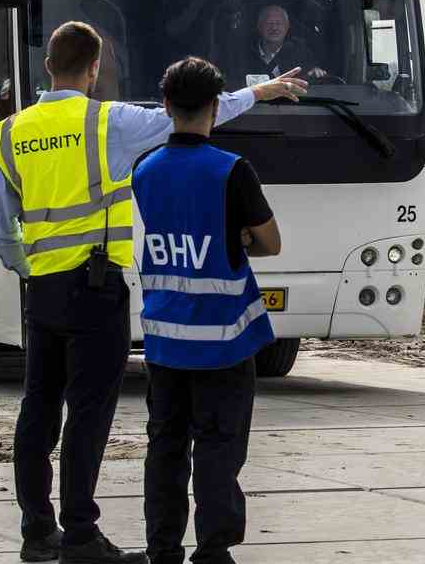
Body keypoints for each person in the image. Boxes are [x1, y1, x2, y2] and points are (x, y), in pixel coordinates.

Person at [0, 22, 307, 564]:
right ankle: (81, 534)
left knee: (37, 407)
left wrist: (30, 268)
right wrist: (258, 92)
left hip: (42, 292)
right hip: (96, 287)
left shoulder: (11, 131)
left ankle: (37, 530)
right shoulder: (106, 121)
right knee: (88, 414)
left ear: (46, 67)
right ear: (93, 70)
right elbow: (190, 118)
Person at [133, 57, 281, 564]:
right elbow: (270, 242)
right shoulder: (231, 170)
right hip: (223, 344)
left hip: (164, 343)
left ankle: (162, 548)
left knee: (165, 448)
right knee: (218, 449)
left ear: (167, 105)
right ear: (216, 108)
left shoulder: (144, 171)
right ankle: (214, 550)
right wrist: (236, 238)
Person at [239, 5, 325, 87]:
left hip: (294, 101)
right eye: (269, 23)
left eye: (279, 23)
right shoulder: (243, 54)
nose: (274, 28)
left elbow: (310, 75)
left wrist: (315, 72)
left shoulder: (301, 53)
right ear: (259, 26)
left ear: (287, 27)